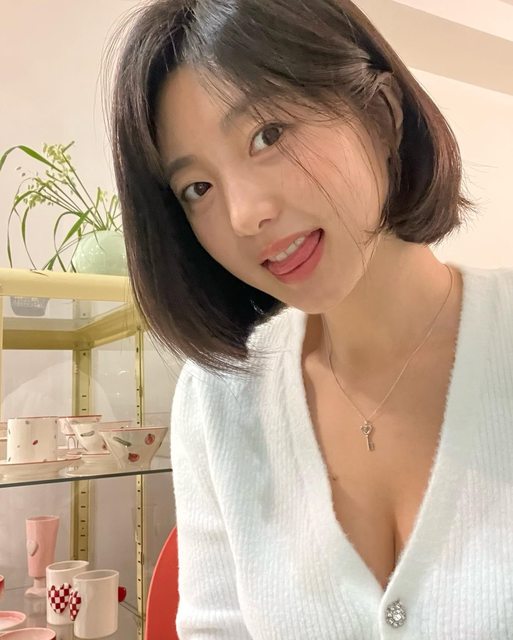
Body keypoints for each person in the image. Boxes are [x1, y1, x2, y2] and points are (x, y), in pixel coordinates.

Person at [108, 0, 513, 637]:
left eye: (268, 134)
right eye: (198, 189)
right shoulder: (218, 401)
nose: (244, 214)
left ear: (381, 115)